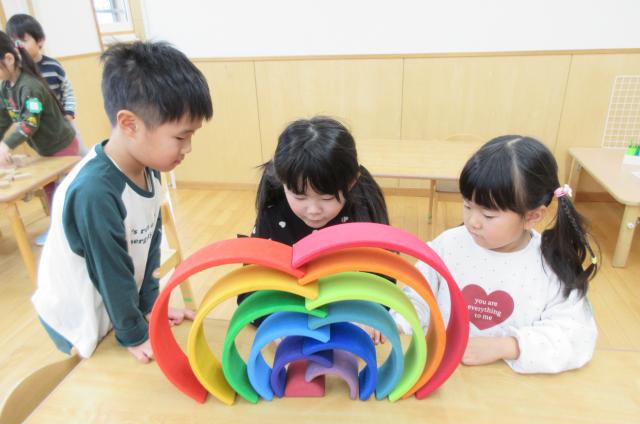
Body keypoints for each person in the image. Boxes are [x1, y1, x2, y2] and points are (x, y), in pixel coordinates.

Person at [32, 41, 213, 363]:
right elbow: (111, 271)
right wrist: (134, 332)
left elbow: (150, 243)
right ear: (130, 124)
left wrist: (150, 307)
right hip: (78, 315)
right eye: (180, 137)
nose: (187, 148)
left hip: (114, 303)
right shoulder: (95, 192)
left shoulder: (148, 167)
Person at [394, 135, 599, 373]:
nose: (472, 221)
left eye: (488, 215)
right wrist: (393, 322)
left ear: (532, 216)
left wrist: (508, 346)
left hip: (509, 384)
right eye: (467, 205)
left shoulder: (551, 265)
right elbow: (416, 298)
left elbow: (576, 337)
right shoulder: (447, 246)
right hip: (446, 375)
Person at [240, 116, 391, 343]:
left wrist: (371, 314)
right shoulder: (274, 211)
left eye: (327, 198)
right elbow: (251, 288)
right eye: (299, 197)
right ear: (282, 182)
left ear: (351, 182)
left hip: (348, 314)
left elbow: (382, 277)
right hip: (289, 310)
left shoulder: (361, 210)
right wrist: (276, 322)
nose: (313, 210)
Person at [0, 30, 78, 166]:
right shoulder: (5, 87)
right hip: (44, 148)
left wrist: (7, 144)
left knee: (66, 179)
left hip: (62, 146)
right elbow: (3, 119)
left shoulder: (30, 87)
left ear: (9, 59)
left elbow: (30, 122)